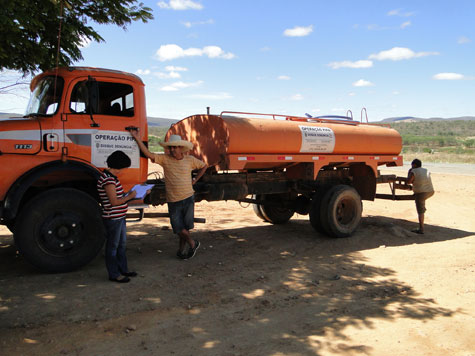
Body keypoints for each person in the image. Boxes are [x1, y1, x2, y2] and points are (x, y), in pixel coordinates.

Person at [129, 129, 207, 259]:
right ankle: (193, 243)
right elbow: (148, 154)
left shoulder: (190, 160)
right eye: (170, 148)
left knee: (184, 228)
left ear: (181, 148)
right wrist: (137, 138)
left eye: (174, 148)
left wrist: (195, 179)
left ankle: (181, 250)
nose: (172, 150)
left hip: (188, 197)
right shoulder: (164, 159)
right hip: (173, 200)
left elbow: (204, 166)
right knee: (177, 227)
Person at [97, 150, 138, 283]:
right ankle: (114, 273)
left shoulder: (111, 178)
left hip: (118, 217)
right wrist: (130, 196)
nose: (124, 170)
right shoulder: (108, 180)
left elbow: (117, 197)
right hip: (113, 217)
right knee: (113, 246)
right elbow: (114, 202)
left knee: (121, 245)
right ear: (119, 166)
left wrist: (128, 195)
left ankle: (122, 269)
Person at [407, 158, 434, 234]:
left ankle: (421, 229)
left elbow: (409, 182)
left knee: (420, 210)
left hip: (421, 193)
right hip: (430, 191)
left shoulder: (413, 171)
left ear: (414, 165)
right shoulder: (426, 170)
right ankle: (423, 207)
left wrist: (409, 173)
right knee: (421, 202)